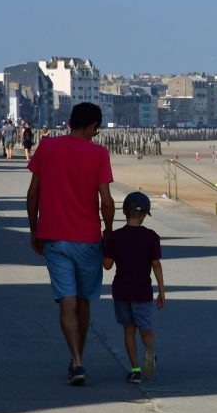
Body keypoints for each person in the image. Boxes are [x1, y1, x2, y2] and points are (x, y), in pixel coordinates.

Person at [27, 102, 114, 386]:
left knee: (67, 301)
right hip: (87, 238)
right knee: (85, 301)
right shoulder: (98, 153)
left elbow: (32, 194)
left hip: (54, 236)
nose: (95, 134)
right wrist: (109, 233)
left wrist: (34, 229)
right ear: (92, 126)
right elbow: (107, 201)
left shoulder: (47, 148)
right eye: (95, 129)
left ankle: (76, 361)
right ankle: (79, 358)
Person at [103, 192, 164, 383]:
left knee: (128, 330)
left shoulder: (115, 237)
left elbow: (107, 265)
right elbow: (156, 265)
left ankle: (136, 369)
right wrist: (162, 291)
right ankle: (150, 351)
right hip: (142, 291)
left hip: (122, 290)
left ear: (124, 212)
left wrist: (104, 244)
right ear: (145, 214)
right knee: (145, 329)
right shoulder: (151, 237)